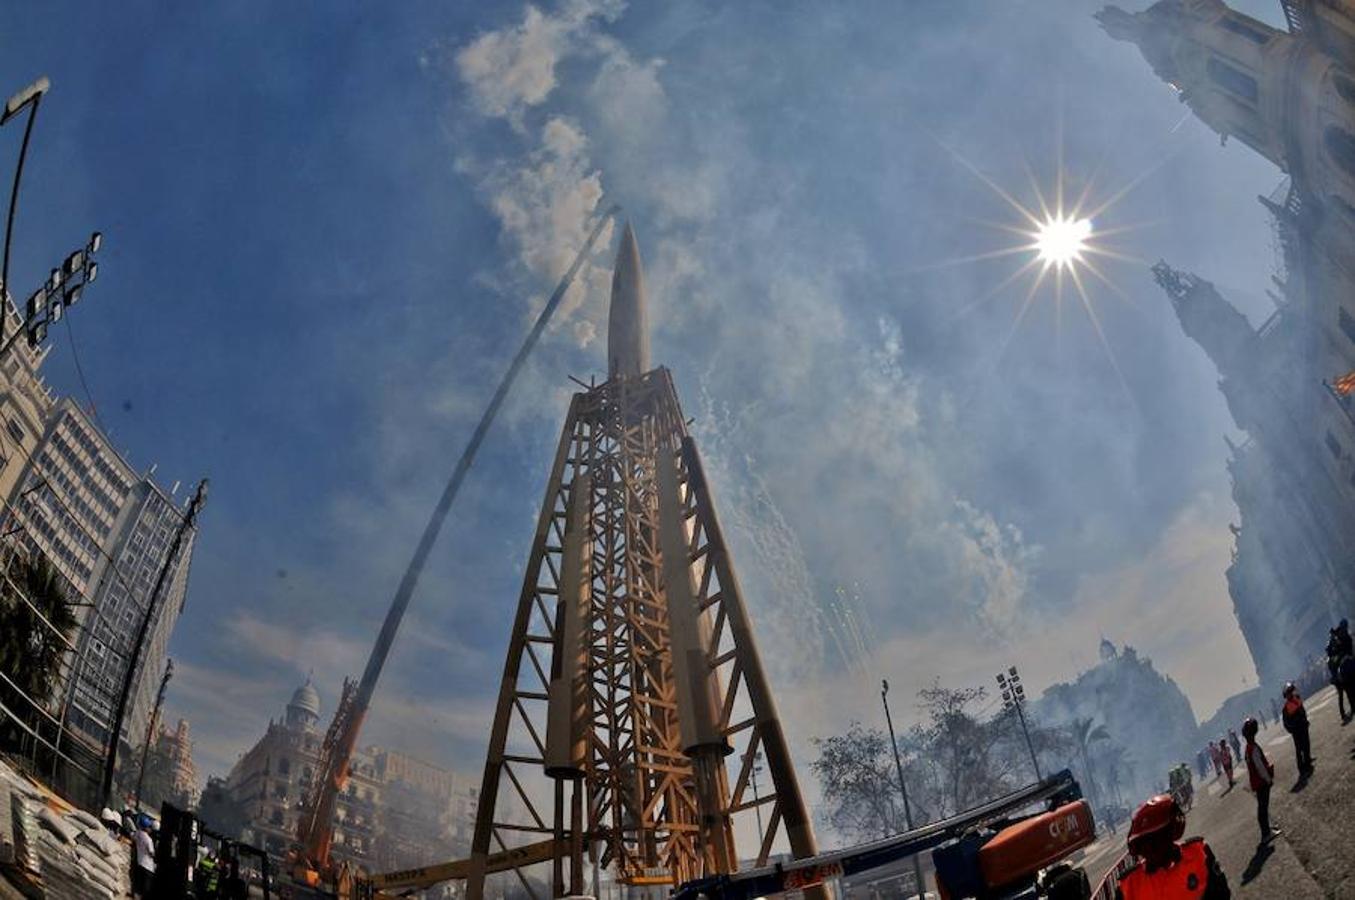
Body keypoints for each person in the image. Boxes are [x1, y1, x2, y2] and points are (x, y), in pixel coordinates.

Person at [1115, 794, 1229, 899]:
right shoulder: (1129, 885)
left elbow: (1222, 894)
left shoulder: (1199, 853)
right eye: (1147, 844)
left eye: (1158, 840)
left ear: (1170, 833)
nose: (1153, 849)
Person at [1242, 717, 1280, 846]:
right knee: (1263, 807)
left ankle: (1266, 830)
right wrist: (1268, 779)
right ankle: (1266, 833)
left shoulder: (1248, 748)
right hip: (1261, 782)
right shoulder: (1254, 748)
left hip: (1256, 782)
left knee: (1261, 807)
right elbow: (1260, 767)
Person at [1282, 683, 1314, 774]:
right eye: (1289, 693)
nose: (1291, 694)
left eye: (1291, 692)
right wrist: (1292, 730)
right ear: (1286, 695)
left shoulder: (1297, 699)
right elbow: (1286, 723)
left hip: (1303, 726)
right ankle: (1301, 765)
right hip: (1296, 730)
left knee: (1306, 744)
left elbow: (1302, 711)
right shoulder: (1286, 708)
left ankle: (1307, 761)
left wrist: (1305, 720)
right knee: (1299, 748)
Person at [132, 816, 156, 898]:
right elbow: (151, 853)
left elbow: (133, 838)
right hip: (148, 867)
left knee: (138, 887)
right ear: (146, 827)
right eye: (149, 827)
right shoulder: (148, 839)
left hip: (140, 863)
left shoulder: (137, 834)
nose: (150, 829)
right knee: (146, 890)